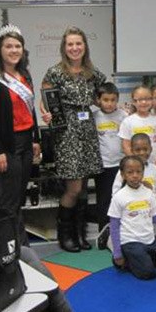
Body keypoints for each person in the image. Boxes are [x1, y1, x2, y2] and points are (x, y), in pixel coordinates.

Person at [41, 27, 106, 252]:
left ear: (84, 46)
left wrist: (117, 108)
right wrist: (46, 113)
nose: (74, 48)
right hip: (66, 130)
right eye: (70, 44)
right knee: (74, 187)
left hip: (87, 127)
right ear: (64, 47)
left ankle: (81, 234)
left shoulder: (92, 72)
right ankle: (65, 234)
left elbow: (103, 97)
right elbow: (45, 99)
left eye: (78, 43)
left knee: (84, 186)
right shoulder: (55, 72)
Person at [0, 24, 40, 246]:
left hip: (25, 141)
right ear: (0, 49)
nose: (14, 50)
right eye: (8, 46)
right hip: (6, 145)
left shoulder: (24, 75)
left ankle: (16, 246)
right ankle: (13, 247)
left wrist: (35, 139)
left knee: (18, 198)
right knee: (8, 201)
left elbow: (30, 110)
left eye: (18, 46)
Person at [108, 156, 156, 280]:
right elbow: (114, 225)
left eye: (138, 172)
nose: (135, 175)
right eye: (130, 172)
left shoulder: (149, 193)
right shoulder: (119, 196)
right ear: (123, 174)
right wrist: (117, 252)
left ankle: (143, 257)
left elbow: (155, 218)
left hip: (150, 240)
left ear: (143, 173)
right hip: (130, 241)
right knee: (148, 273)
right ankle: (125, 259)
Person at [92, 82, 127, 233]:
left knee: (121, 198)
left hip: (120, 165)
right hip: (103, 166)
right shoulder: (94, 117)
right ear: (98, 100)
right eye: (106, 100)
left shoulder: (123, 116)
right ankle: (103, 231)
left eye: (113, 100)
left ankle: (121, 231)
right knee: (104, 199)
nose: (109, 103)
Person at [118, 85, 156, 171]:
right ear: (133, 101)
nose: (144, 102)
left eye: (148, 99)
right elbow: (126, 145)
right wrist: (135, 164)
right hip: (136, 169)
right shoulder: (127, 121)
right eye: (140, 100)